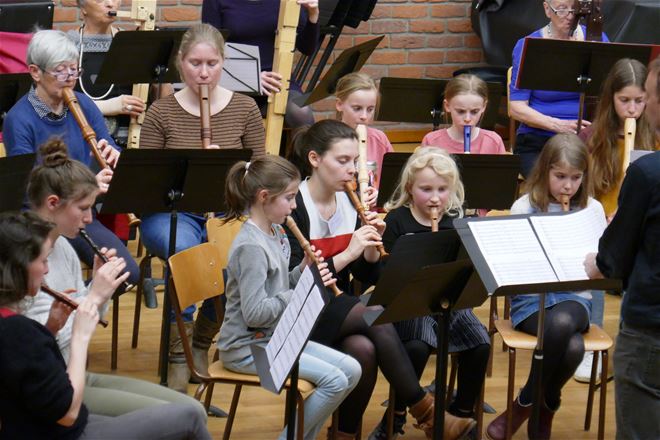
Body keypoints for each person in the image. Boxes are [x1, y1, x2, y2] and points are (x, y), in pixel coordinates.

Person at [288, 119, 476, 440]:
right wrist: (348, 253)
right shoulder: (294, 205)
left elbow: (366, 275)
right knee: (371, 313)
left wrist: (374, 246)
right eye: (342, 161)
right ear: (315, 159)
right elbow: (296, 281)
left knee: (364, 350)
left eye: (355, 162)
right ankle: (425, 410)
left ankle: (345, 434)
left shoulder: (347, 200)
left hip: (337, 311)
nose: (352, 170)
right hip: (296, 314)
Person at [23, 137, 207, 419]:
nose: (88, 219)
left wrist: (100, 290)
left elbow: (84, 320)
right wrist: (94, 294)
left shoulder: (63, 247)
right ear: (52, 203)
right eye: (83, 208)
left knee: (193, 409)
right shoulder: (26, 258)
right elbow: (44, 342)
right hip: (55, 387)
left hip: (77, 371)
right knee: (184, 418)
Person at [0, 211, 212, 440]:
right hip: (62, 431)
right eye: (42, 261)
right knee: (190, 417)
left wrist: (51, 328)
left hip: (43, 422)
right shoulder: (16, 331)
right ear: (20, 267)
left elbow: (25, 367)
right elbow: (68, 413)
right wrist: (80, 335)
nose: (47, 269)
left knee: (188, 412)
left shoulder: (14, 326)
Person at [139, 23, 265, 391]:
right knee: (189, 253)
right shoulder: (161, 112)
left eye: (212, 63)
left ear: (223, 63)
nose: (204, 72)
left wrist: (226, 173)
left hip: (227, 212)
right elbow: (147, 183)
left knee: (233, 258)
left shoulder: (244, 108)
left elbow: (261, 175)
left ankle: (199, 344)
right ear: (181, 63)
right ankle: (179, 359)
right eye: (196, 63)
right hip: (171, 213)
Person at [217, 154, 360, 440]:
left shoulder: (278, 232)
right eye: (290, 198)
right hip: (247, 348)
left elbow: (281, 283)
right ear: (264, 197)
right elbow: (255, 313)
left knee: (352, 369)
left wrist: (304, 270)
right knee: (333, 381)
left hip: (276, 338)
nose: (295, 205)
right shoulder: (251, 248)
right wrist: (299, 293)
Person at [486, 133, 605, 440]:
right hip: (531, 300)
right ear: (544, 172)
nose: (568, 186)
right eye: (560, 176)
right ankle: (547, 404)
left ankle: (524, 401)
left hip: (575, 298)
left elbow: (601, 270)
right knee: (574, 347)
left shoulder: (591, 209)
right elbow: (510, 269)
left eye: (576, 178)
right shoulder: (524, 206)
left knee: (564, 320)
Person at [2, 29, 139, 294]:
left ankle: (78, 300)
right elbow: (30, 189)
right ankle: (65, 308)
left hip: (80, 215)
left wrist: (112, 155)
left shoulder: (84, 105)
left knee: (126, 273)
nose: (69, 79)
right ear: (35, 72)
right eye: (60, 71)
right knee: (41, 285)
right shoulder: (19, 119)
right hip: (39, 222)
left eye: (74, 70)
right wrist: (87, 188)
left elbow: (105, 145)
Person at [368, 147, 489, 440]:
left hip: (450, 304)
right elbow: (384, 278)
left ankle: (459, 417)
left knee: (481, 343)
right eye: (426, 189)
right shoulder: (396, 221)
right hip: (409, 306)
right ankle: (394, 417)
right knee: (418, 345)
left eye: (442, 189)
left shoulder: (456, 220)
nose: (435, 198)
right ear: (410, 188)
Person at [584, 56, 660, 440]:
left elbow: (612, 260)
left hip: (651, 322)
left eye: (643, 99)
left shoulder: (650, 167)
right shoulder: (598, 141)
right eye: (626, 100)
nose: (635, 109)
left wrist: (599, 257)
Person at [510, 0, 608, 177]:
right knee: (551, 184)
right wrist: (558, 125)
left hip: (587, 140)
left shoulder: (597, 39)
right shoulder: (527, 45)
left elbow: (611, 93)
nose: (570, 16)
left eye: (575, 9)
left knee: (601, 180)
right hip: (539, 139)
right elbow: (516, 108)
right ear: (547, 9)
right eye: (562, 10)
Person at [201, 0, 319, 127]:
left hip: (278, 83)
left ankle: (306, 147)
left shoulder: (288, 1)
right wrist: (251, 78)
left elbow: (307, 49)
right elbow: (210, 52)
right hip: (233, 82)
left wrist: (313, 15)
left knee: (301, 111)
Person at [334, 72, 394, 187]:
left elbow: (392, 183)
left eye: (370, 109)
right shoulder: (328, 138)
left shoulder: (379, 139)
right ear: (339, 104)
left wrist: (377, 194)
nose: (364, 116)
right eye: (357, 108)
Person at [422, 74, 506, 155]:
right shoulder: (432, 141)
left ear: (483, 106)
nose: (467, 118)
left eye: (474, 111)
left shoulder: (493, 141)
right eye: (460, 111)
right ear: (447, 106)